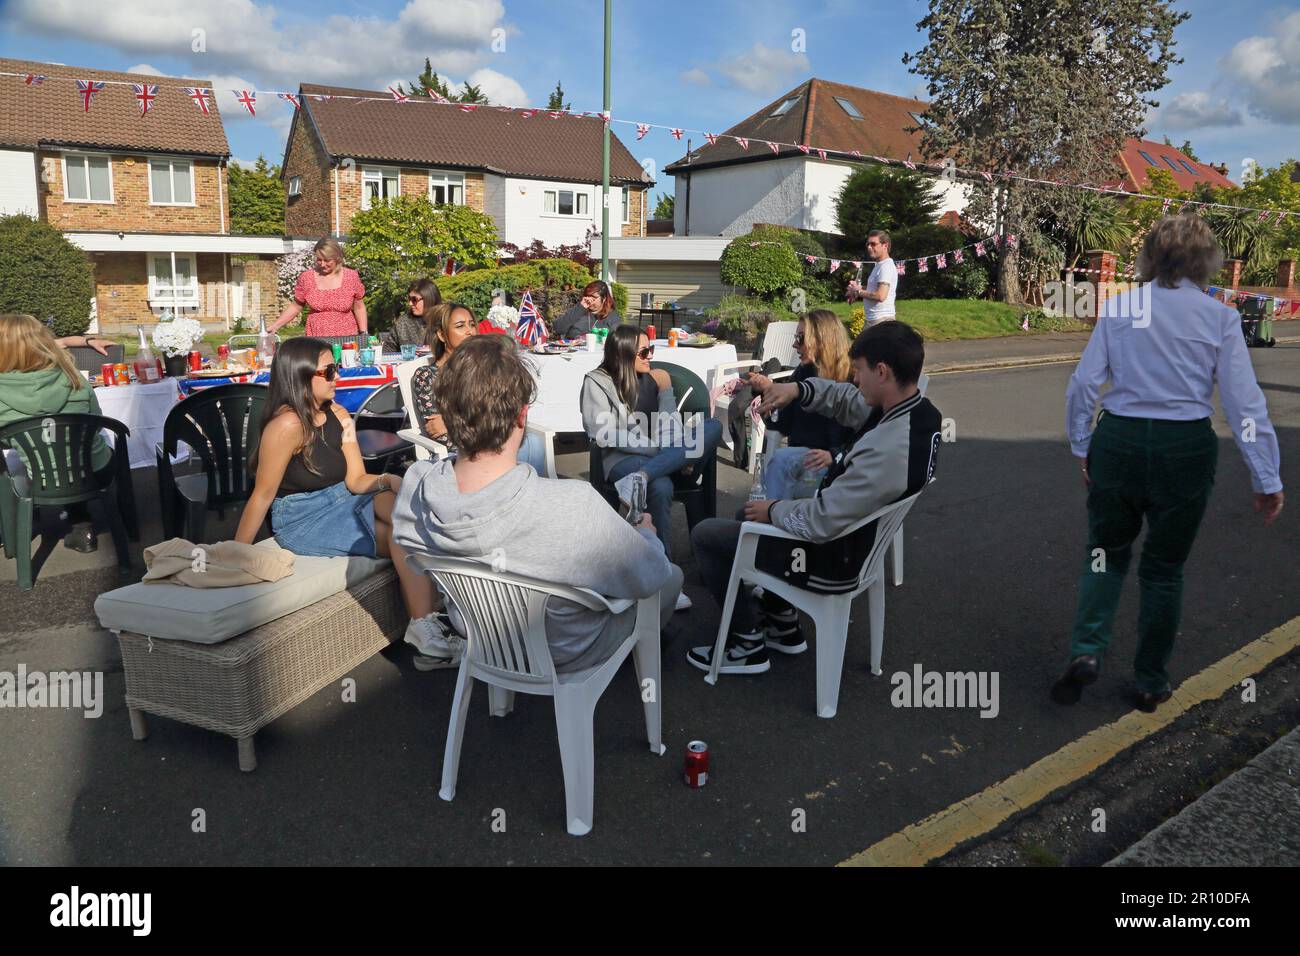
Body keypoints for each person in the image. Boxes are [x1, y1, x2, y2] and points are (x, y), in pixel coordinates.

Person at [1056, 215, 1284, 713]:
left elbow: (1083, 385)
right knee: (1163, 569)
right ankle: (1150, 680)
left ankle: (1087, 651)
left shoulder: (1121, 308)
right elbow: (1245, 405)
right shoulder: (1220, 318)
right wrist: (1266, 475)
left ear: (1150, 256)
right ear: (1207, 262)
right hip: (1185, 448)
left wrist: (1082, 444)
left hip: (1119, 441)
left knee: (1105, 552)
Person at [393, 334, 684, 672]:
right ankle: (637, 660)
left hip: (482, 638)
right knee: (672, 575)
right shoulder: (573, 503)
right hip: (571, 651)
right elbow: (650, 576)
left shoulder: (416, 486)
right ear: (521, 416)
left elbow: (412, 553)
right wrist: (646, 534)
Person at [688, 321, 941, 675]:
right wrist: (796, 390)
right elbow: (844, 399)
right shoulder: (915, 413)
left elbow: (820, 521)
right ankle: (782, 621)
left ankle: (746, 643)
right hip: (856, 541)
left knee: (712, 534)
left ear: (882, 371)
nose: (855, 381)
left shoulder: (888, 448)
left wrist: (773, 510)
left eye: (860, 372)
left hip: (832, 559)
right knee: (754, 514)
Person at [233, 337, 438, 654]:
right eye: (328, 371)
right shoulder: (287, 425)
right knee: (400, 535)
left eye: (336, 368)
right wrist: (237, 554)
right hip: (303, 518)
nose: (337, 377)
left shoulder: (338, 414)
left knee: (403, 510)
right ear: (300, 375)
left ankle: (430, 620)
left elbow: (356, 480)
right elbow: (262, 495)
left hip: (343, 496)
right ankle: (426, 628)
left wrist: (390, 479)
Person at [580, 326, 725, 603]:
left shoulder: (655, 379)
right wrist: (661, 451)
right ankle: (665, 577)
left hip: (658, 455)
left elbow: (670, 430)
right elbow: (601, 433)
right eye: (644, 352)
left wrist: (667, 390)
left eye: (651, 350)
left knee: (713, 426)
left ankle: (646, 474)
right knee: (660, 484)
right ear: (623, 354)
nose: (650, 357)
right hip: (624, 459)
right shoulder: (597, 382)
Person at [0, 313, 116, 552]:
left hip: (41, 480)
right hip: (94, 473)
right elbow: (97, 420)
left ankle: (9, 532)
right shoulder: (73, 376)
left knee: (31, 462)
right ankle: (82, 525)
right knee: (73, 454)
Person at [411, 302, 548, 474]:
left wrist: (449, 420)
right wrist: (482, 417)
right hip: (462, 453)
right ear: (441, 335)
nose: (470, 331)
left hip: (494, 439)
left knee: (533, 442)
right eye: (460, 326)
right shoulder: (426, 376)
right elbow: (438, 432)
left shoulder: (483, 368)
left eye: (472, 324)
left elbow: (506, 410)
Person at [743, 309, 855, 499]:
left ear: (822, 340)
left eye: (800, 338)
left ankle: (771, 517)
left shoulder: (852, 378)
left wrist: (834, 454)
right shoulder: (804, 372)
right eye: (796, 337)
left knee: (781, 460)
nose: (794, 344)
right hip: (802, 464)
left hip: (835, 472)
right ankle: (769, 516)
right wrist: (769, 395)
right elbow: (782, 426)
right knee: (747, 512)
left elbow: (863, 434)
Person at [271, 238, 368, 339]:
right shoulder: (306, 278)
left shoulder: (351, 276)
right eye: (319, 259)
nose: (322, 264)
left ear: (337, 258)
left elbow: (359, 307)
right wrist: (275, 326)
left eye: (327, 260)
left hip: (346, 337)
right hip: (316, 338)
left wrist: (363, 333)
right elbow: (296, 306)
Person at [382, 279, 440, 352]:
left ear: (428, 299)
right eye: (409, 299)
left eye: (414, 299)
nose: (410, 303)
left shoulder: (445, 321)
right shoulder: (402, 323)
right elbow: (388, 349)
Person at [553, 280, 622, 339]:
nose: (589, 300)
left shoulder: (612, 317)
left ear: (603, 299)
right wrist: (580, 308)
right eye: (587, 296)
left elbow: (617, 340)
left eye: (593, 297)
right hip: (574, 351)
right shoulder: (578, 311)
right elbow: (558, 329)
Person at [859, 230, 898, 324]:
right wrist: (858, 288)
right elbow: (874, 289)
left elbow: (880, 295)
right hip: (875, 320)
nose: (869, 247)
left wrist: (858, 292)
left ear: (885, 245)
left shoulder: (886, 266)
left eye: (873, 244)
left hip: (881, 321)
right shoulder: (880, 265)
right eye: (868, 244)